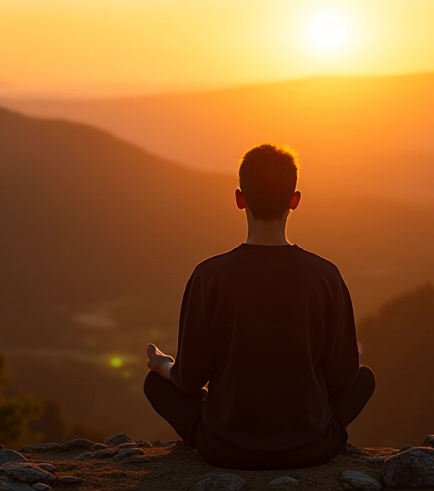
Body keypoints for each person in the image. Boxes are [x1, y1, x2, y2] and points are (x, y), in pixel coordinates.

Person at [143, 143, 375, 469]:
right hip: (311, 446)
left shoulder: (209, 276)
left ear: (240, 199)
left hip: (225, 447)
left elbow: (189, 380)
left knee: (155, 385)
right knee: (364, 380)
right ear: (295, 201)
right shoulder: (326, 276)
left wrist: (163, 366)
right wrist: (353, 357)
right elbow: (342, 379)